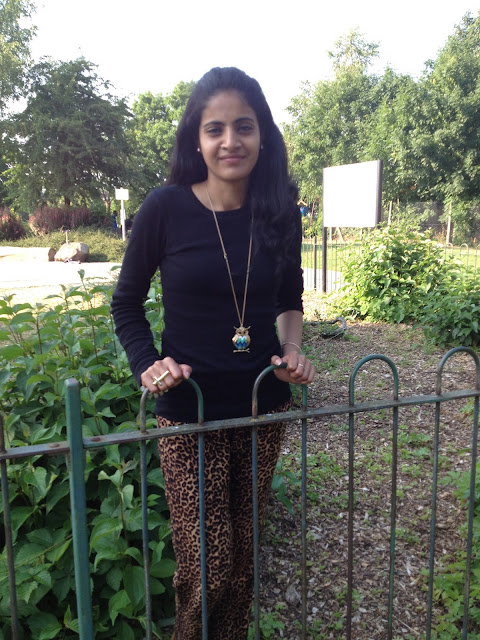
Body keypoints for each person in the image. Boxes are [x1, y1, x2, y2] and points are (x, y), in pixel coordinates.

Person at [111, 66, 315, 640]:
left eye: (244, 127)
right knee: (208, 565)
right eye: (215, 128)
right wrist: (148, 364)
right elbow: (126, 303)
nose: (231, 141)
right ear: (196, 139)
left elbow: (290, 299)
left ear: (263, 135)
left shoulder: (280, 208)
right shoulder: (165, 208)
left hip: (261, 404)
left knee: (244, 555)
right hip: (189, 411)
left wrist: (293, 349)